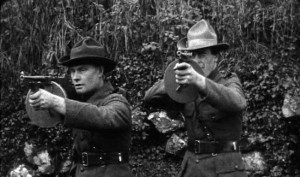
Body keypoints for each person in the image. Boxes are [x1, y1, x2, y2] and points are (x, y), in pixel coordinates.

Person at [144, 19, 248, 177]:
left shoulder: (228, 80)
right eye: (193, 55)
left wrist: (200, 81)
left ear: (215, 58)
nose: (197, 60)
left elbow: (237, 102)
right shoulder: (186, 87)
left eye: (202, 54)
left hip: (225, 169)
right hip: (193, 167)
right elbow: (149, 98)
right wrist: (173, 76)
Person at [28, 37, 133, 177]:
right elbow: (64, 114)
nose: (75, 77)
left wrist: (55, 101)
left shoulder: (117, 101)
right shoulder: (81, 101)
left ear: (100, 71)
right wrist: (40, 100)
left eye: (82, 70)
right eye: (72, 71)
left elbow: (106, 117)